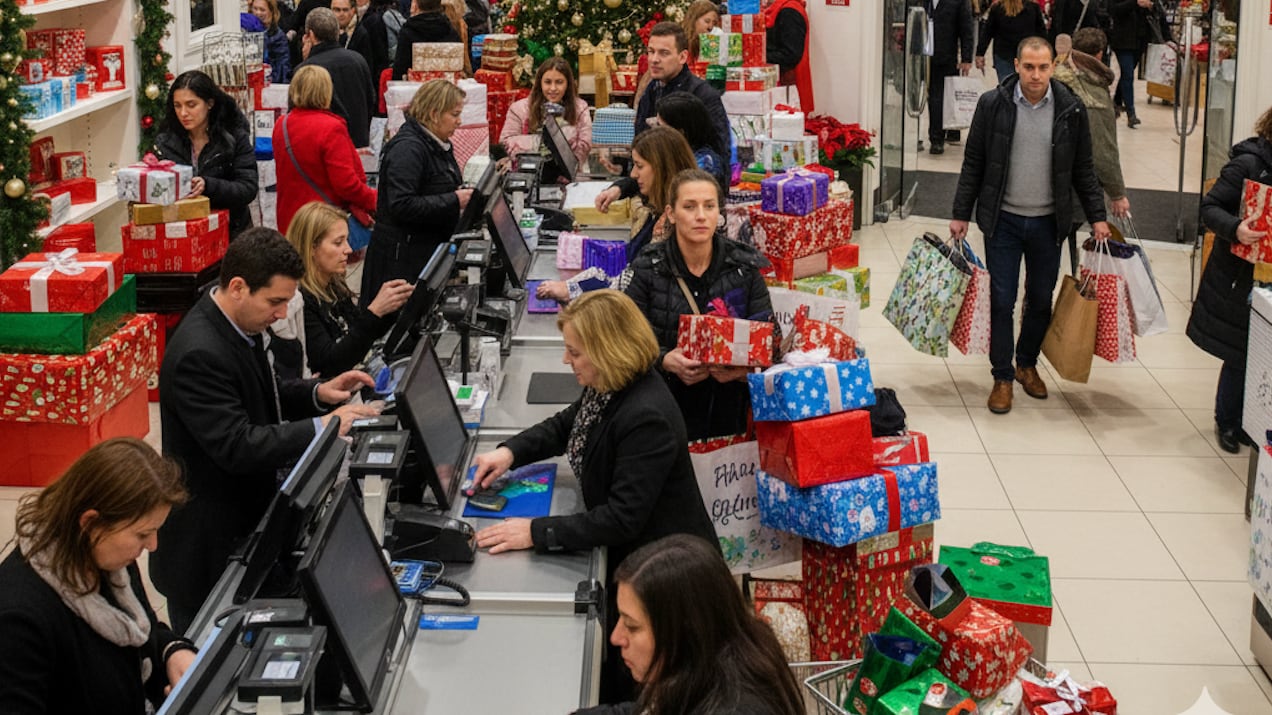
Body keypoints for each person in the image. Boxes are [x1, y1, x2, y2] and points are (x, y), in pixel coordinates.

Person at [469, 289, 718, 704]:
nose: (567, 361)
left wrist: (536, 531)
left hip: (665, 582)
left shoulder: (646, 415)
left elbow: (622, 518)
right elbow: (570, 423)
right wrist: (509, 451)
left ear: (607, 350)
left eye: (575, 352)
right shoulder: (612, 383)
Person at [151, 228, 379, 633]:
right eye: (274, 302)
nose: (279, 314)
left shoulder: (241, 324)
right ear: (238, 287)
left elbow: (265, 392)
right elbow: (237, 443)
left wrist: (318, 393)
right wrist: (321, 427)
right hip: (209, 549)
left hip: (248, 524)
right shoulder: (199, 353)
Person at [949, 36, 1110, 415]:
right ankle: (1002, 376)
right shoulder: (993, 105)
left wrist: (1098, 216)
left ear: (1053, 67)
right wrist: (960, 212)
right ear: (1016, 66)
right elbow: (973, 163)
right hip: (1002, 220)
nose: (1035, 75)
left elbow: (1084, 169)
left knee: (1040, 299)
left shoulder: (1071, 109)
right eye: (1028, 67)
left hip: (1048, 224)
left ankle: (1026, 364)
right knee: (1002, 300)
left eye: (1042, 67)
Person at [0, 439, 197, 714]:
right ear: (91, 523)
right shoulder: (19, 618)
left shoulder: (108, 560)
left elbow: (141, 632)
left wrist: (173, 651)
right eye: (142, 534)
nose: (153, 546)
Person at [574, 535, 805, 715]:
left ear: (685, 630)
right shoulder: (707, 665)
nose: (616, 637)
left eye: (632, 626)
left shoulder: (734, 705)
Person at [626, 168, 776, 442]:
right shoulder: (648, 268)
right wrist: (665, 360)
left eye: (709, 206)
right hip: (664, 410)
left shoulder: (744, 267)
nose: (700, 216)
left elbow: (770, 340)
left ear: (719, 212)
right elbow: (625, 340)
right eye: (689, 206)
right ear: (671, 213)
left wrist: (742, 370)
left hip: (731, 414)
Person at [1187, 107, 1272, 453]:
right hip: (1242, 276)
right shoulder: (1248, 163)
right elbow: (1209, 208)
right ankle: (1228, 421)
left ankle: (1255, 421)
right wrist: (1236, 229)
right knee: (1240, 352)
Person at [538, 128, 697, 306]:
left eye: (640, 166)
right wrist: (618, 189)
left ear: (661, 168)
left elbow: (628, 284)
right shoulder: (664, 208)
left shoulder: (668, 229)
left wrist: (571, 288)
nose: (633, 174)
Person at [359, 80, 470, 304]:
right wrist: (453, 200)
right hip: (400, 262)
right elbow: (401, 204)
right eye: (455, 114)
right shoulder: (408, 150)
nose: (459, 121)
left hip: (421, 252)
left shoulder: (437, 143)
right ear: (434, 113)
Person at [280, 201, 414, 377]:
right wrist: (375, 312)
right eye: (338, 243)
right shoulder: (301, 300)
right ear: (311, 248)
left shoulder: (333, 285)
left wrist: (391, 306)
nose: (348, 249)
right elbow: (331, 362)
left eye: (346, 240)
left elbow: (358, 338)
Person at [273, 65, 378, 234]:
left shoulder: (282, 125)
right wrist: (374, 198)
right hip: (322, 222)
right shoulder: (331, 127)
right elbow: (346, 184)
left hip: (290, 219)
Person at [154, 71, 258, 237]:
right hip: (182, 237)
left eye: (191, 105)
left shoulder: (234, 136)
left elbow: (248, 188)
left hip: (230, 236)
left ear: (209, 103)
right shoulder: (165, 141)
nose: (183, 113)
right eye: (177, 105)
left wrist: (208, 186)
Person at [1054, 30, 1131, 221]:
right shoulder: (1092, 93)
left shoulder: (1056, 76)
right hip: (1075, 182)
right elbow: (1102, 147)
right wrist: (1117, 193)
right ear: (1099, 53)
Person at [635, 22, 730, 158]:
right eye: (651, 52)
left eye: (664, 53)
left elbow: (718, 153)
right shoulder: (650, 90)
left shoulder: (702, 95)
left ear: (683, 57)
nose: (654, 59)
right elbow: (639, 141)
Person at [298, 7, 377, 149]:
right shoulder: (358, 60)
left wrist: (306, 61)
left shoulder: (307, 70)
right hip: (359, 145)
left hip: (324, 149)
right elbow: (371, 100)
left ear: (311, 35)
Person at [500, 57, 592, 168]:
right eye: (547, 82)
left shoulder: (580, 107)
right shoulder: (519, 108)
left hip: (567, 176)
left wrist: (525, 143)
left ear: (568, 84)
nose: (553, 88)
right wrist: (552, 143)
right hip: (526, 171)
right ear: (540, 83)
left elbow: (584, 146)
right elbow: (506, 141)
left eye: (559, 82)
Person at [926, 0, 975, 154]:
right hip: (921, 56)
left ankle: (937, 138)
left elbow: (966, 29)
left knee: (939, 98)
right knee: (929, 97)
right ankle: (947, 132)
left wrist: (966, 58)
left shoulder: (958, 2)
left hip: (945, 56)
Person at [657, 90, 729, 192]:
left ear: (680, 132)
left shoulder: (705, 163)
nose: (655, 132)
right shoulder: (674, 152)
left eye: (660, 126)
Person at [1107, 0, 1159, 128]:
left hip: (1140, 40)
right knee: (1128, 74)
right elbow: (1113, 10)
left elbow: (1158, 11)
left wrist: (1151, 6)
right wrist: (1135, 3)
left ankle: (1116, 102)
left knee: (1126, 74)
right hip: (1122, 40)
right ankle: (1131, 113)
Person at [975, 0, 1047, 81]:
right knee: (1027, 88)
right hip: (1027, 55)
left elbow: (987, 33)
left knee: (1006, 88)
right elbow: (1042, 33)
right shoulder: (1033, 7)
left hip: (1003, 55)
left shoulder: (997, 8)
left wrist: (980, 54)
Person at [763, 0, 814, 112]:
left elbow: (790, 55)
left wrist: (759, 57)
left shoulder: (789, 12)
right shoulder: (781, 9)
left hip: (787, 87)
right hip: (782, 85)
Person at [392, 0, 462, 81]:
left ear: (416, 5)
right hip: (446, 88)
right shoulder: (451, 30)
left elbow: (400, 69)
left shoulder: (407, 31)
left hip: (415, 89)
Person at [250, 0, 293, 83]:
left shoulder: (278, 36)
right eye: (255, 8)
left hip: (271, 82)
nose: (258, 13)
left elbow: (283, 67)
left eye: (262, 10)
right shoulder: (247, 30)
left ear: (271, 12)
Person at [332, 0, 375, 72]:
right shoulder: (325, 31)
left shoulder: (361, 33)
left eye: (345, 10)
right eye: (337, 10)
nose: (341, 14)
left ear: (353, 10)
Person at [682, 0, 720, 65]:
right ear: (694, 20)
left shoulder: (712, 44)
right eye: (707, 21)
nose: (710, 27)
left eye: (714, 23)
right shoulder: (679, 43)